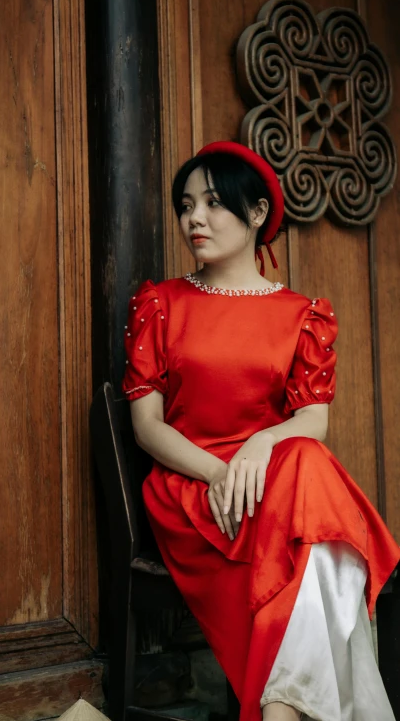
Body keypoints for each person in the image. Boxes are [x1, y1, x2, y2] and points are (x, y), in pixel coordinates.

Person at [121, 141, 400, 721]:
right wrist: (221, 472)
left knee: (304, 468)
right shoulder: (161, 303)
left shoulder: (302, 315)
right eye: (186, 204)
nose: (193, 217)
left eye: (214, 203)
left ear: (255, 215)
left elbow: (311, 421)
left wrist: (258, 443)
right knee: (316, 514)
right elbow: (147, 427)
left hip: (272, 486)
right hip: (195, 490)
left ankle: (282, 708)